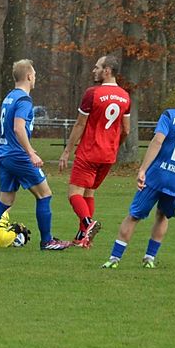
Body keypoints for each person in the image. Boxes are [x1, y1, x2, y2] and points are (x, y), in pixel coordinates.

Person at [100, 79, 175, 269]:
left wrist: (143, 169)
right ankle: (149, 259)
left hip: (157, 175)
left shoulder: (170, 115)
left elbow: (158, 141)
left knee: (134, 215)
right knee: (163, 216)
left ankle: (114, 259)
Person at [0, 59, 70, 251]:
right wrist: (30, 153)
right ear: (29, 76)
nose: (35, 78)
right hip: (17, 155)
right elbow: (18, 128)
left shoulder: (9, 97)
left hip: (3, 153)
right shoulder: (24, 100)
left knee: (5, 201)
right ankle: (47, 241)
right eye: (34, 74)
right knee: (45, 194)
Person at [57, 54, 131, 248]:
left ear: (107, 71)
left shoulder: (93, 93)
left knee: (74, 194)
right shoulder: (125, 96)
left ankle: (88, 223)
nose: (94, 70)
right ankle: (83, 237)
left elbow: (80, 124)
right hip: (108, 155)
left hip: (89, 151)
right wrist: (114, 145)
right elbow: (126, 130)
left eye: (97, 67)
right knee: (88, 194)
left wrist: (67, 151)